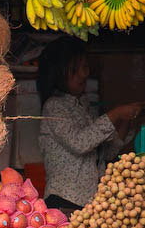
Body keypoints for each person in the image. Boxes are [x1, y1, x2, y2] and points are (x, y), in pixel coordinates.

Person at [37, 36, 142, 212]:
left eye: (85, 67)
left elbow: (106, 152)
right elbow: (80, 143)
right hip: (64, 202)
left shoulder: (83, 104)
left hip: (89, 202)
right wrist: (115, 114)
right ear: (59, 72)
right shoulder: (54, 107)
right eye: (77, 69)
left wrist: (125, 120)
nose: (84, 74)